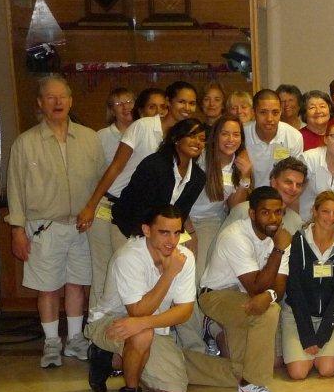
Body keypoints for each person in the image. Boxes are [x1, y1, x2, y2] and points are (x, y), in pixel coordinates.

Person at [84, 206, 235, 392]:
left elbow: (184, 311)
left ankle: (108, 359)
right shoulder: (129, 257)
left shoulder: (184, 257)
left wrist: (144, 322)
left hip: (150, 324)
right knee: (142, 335)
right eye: (164, 232)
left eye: (177, 233)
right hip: (111, 320)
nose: (172, 241)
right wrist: (169, 273)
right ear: (147, 230)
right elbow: (137, 311)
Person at [6, 75, 104, 367]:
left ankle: (75, 339)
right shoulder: (25, 143)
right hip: (44, 227)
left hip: (82, 226)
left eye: (62, 96)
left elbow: (101, 183)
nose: (58, 102)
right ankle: (51, 342)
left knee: (77, 284)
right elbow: (15, 189)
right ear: (40, 103)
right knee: (47, 287)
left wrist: (94, 212)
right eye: (51, 97)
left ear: (71, 101)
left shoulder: (90, 138)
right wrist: (17, 230)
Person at [78, 81, 197, 304]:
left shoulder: (184, 137)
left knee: (135, 276)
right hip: (110, 205)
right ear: (169, 102)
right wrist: (90, 206)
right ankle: (98, 322)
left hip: (139, 212)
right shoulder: (143, 126)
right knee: (105, 272)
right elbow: (116, 166)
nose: (187, 108)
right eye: (182, 101)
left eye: (192, 103)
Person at [198, 186, 288, 392]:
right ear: (252, 214)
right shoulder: (235, 236)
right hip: (216, 296)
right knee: (268, 313)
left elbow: (279, 286)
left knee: (237, 371)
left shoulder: (280, 237)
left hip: (244, 296)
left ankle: (182, 362)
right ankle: (252, 384)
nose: (273, 218)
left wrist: (269, 294)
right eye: (265, 212)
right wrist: (278, 250)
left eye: (278, 212)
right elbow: (256, 288)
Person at [282, 191, 334, 380]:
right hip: (297, 315)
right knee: (298, 373)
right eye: (325, 211)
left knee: (327, 369)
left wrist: (323, 334)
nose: (331, 218)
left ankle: (319, 354)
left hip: (331, 318)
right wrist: (307, 335)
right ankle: (306, 354)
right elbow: (294, 287)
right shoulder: (298, 240)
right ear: (314, 211)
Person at [112, 118, 207, 239]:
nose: (198, 142)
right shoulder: (154, 164)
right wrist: (151, 239)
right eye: (192, 136)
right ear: (176, 139)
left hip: (161, 234)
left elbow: (182, 213)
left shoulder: (198, 177)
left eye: (202, 139)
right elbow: (137, 206)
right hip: (127, 227)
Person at [189, 115, 252, 286]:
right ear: (215, 136)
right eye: (225, 134)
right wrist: (190, 232)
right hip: (184, 218)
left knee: (200, 274)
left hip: (210, 221)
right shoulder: (199, 157)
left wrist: (245, 178)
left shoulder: (240, 164)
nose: (231, 139)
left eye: (236, 134)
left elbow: (235, 208)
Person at [243, 89, 304, 188]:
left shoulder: (294, 136)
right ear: (253, 112)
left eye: (275, 113)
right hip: (247, 192)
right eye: (263, 112)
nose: (269, 119)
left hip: (281, 194)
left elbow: (295, 177)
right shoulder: (241, 135)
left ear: (280, 112)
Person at [97, 86, 134, 165]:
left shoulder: (144, 131)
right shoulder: (101, 137)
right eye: (119, 104)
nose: (126, 107)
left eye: (129, 102)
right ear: (112, 111)